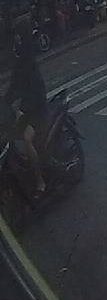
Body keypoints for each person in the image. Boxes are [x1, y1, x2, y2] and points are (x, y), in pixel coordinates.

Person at [5, 16, 49, 195]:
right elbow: (14, 86)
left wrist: (22, 110)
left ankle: (40, 181)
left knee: (26, 138)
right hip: (27, 109)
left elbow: (35, 91)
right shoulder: (20, 59)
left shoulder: (28, 60)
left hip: (37, 109)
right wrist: (5, 101)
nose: (15, 39)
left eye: (17, 35)